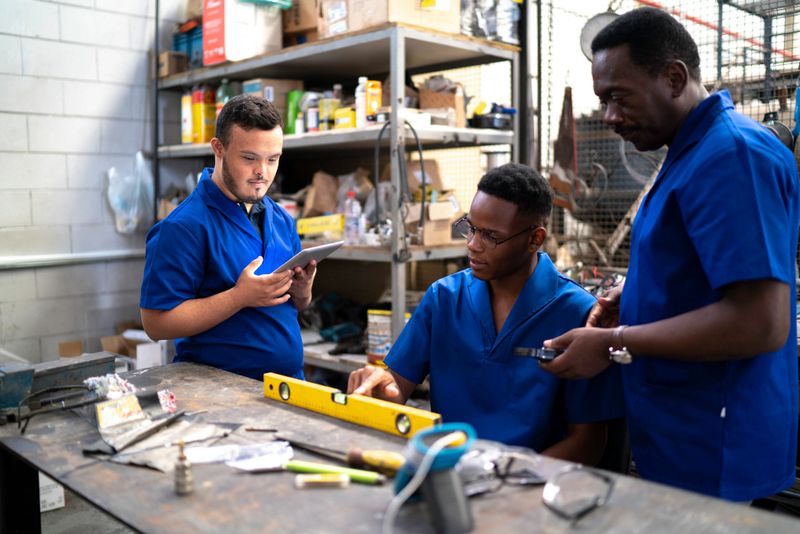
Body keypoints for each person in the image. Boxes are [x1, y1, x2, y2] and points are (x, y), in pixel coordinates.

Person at [542, 7, 799, 501]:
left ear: (674, 77)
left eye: (619, 97)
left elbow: (760, 321)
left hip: (714, 439)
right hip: (684, 432)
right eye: (602, 100)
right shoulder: (689, 153)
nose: (611, 117)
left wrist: (615, 338)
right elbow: (700, 270)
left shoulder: (731, 157)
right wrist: (636, 296)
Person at [348, 163, 623, 464]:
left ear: (535, 239)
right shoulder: (444, 298)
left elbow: (588, 441)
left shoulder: (579, 313)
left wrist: (507, 481)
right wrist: (380, 387)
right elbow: (397, 386)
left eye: (490, 236)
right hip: (451, 470)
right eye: (471, 228)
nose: (473, 245)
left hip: (529, 485)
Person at [140, 94, 316, 380]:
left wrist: (302, 292)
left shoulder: (281, 218)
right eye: (249, 158)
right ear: (218, 148)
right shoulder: (184, 227)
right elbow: (156, 324)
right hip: (218, 392)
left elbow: (297, 305)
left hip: (288, 385)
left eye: (273, 159)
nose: (263, 172)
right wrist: (239, 297)